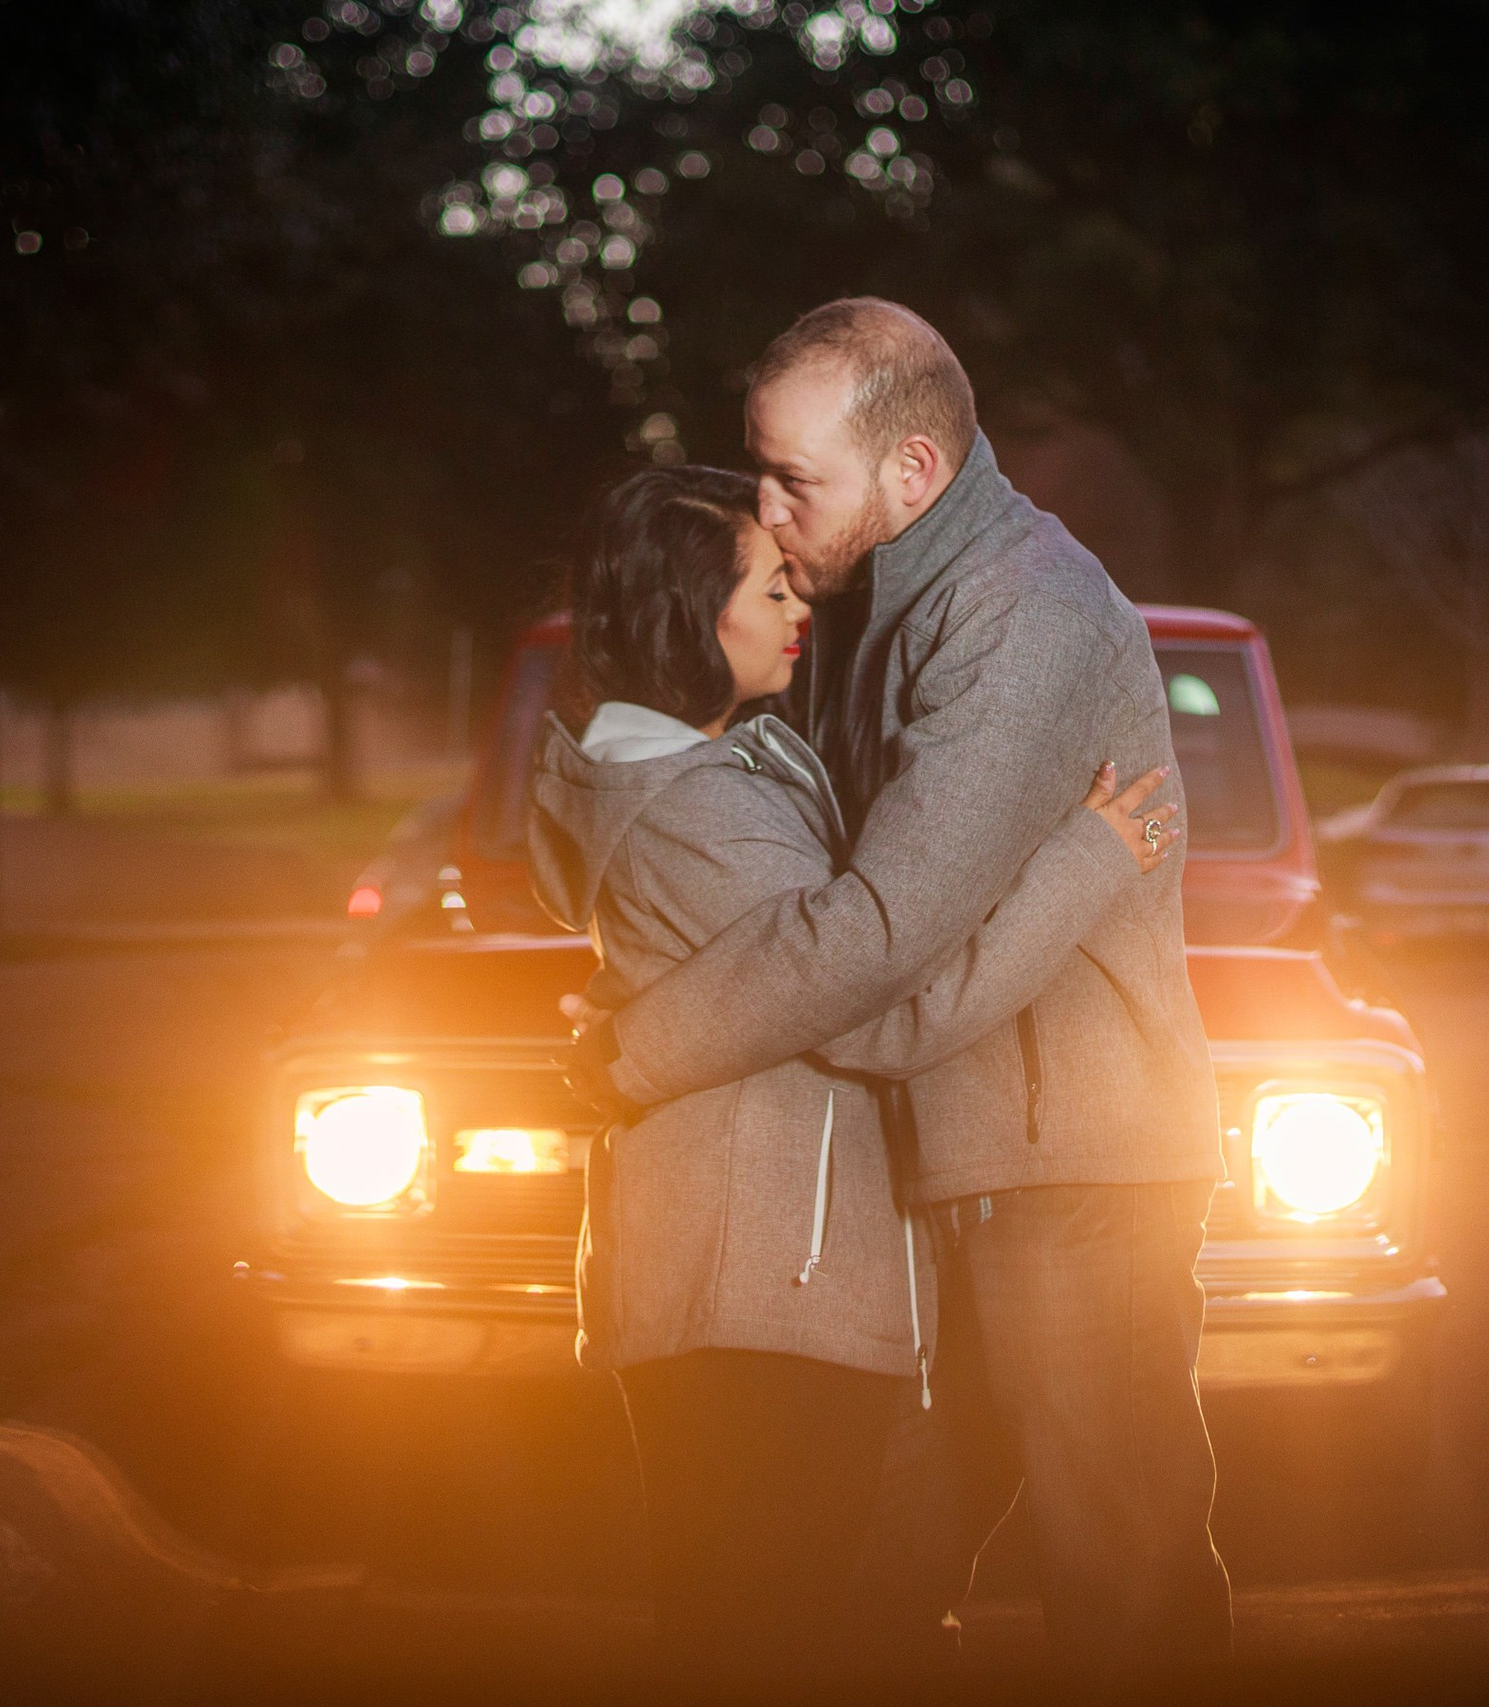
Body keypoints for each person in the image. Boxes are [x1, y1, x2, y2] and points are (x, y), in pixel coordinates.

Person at [563, 299, 1233, 1683]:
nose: (766, 508)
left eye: (794, 480)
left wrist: (644, 1045)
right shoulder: (879, 595)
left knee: (1119, 1565)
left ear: (912, 473)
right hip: (947, 1145)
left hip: (1069, 1165)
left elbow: (875, 939)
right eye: (760, 467)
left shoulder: (1019, 617)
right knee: (873, 1563)